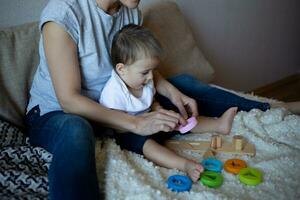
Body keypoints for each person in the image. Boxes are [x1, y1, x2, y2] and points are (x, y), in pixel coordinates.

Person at [25, 0, 300, 199]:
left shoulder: (129, 11)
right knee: (76, 128)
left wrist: (172, 93)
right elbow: (69, 100)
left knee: (185, 83)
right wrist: (137, 124)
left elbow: (140, 68)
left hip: (120, 103)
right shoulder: (63, 15)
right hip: (57, 113)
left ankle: (274, 107)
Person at [100, 23, 240, 182]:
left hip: (153, 121)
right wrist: (143, 124)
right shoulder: (113, 93)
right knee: (148, 147)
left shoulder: (145, 81)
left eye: (152, 70)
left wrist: (159, 110)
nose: (151, 77)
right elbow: (113, 122)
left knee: (178, 115)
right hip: (128, 133)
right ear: (121, 69)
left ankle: (218, 125)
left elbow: (151, 101)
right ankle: (184, 164)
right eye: (145, 72)